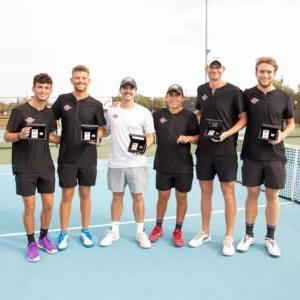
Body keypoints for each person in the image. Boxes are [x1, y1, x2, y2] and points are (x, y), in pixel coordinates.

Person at [236, 57, 295, 257]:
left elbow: (291, 124)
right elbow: (240, 118)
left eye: (269, 72)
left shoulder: (284, 97)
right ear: (256, 72)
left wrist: (281, 136)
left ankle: (270, 238)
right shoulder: (247, 94)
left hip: (275, 156)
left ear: (274, 73)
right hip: (252, 155)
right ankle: (248, 235)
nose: (265, 75)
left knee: (273, 196)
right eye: (262, 71)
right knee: (251, 194)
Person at [189, 57, 247, 256]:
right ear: (207, 69)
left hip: (226, 151)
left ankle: (229, 237)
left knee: (228, 193)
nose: (214, 70)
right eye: (211, 67)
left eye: (217, 67)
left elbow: (243, 119)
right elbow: (198, 112)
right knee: (205, 192)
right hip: (204, 150)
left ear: (223, 69)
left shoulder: (234, 91)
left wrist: (226, 134)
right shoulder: (201, 89)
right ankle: (205, 232)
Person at [4, 73, 60, 262]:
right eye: (40, 87)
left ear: (50, 90)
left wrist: (69, 139)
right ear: (34, 88)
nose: (43, 91)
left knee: (49, 204)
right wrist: (19, 134)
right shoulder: (19, 111)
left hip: (46, 166)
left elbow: (51, 136)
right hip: (24, 167)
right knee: (30, 206)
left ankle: (44, 237)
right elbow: (7, 136)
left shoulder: (50, 114)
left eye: (47, 88)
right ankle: (31, 242)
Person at [51, 65, 106, 250]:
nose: (80, 81)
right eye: (77, 78)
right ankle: (63, 232)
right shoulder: (62, 100)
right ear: (71, 80)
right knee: (67, 194)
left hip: (88, 158)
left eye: (83, 78)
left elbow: (102, 128)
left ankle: (85, 230)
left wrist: (97, 136)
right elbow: (48, 120)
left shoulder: (96, 104)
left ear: (88, 80)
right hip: (67, 158)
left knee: (85, 194)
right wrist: (55, 137)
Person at [100, 77, 155, 249]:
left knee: (137, 197)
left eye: (131, 88)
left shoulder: (144, 112)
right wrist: (95, 136)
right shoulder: (111, 111)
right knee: (117, 197)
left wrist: (143, 147)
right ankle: (114, 230)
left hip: (136, 163)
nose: (127, 91)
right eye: (124, 88)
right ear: (120, 90)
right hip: (116, 163)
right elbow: (106, 131)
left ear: (135, 91)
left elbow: (150, 137)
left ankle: (140, 231)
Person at [149, 84, 199, 247]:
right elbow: (148, 132)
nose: (173, 98)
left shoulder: (189, 116)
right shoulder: (157, 115)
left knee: (181, 198)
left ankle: (178, 229)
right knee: (162, 198)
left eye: (177, 95)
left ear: (182, 98)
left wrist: (189, 139)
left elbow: (197, 137)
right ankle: (158, 226)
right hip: (163, 165)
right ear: (166, 97)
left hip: (183, 166)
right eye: (170, 94)